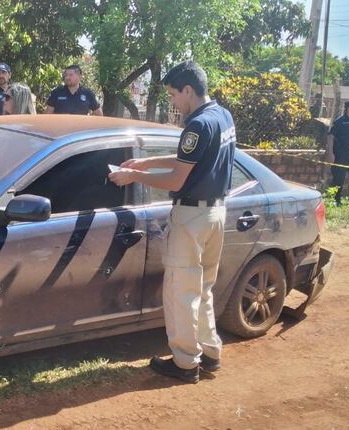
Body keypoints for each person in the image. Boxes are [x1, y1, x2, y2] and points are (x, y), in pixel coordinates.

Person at [108, 61, 236, 383]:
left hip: (192, 217)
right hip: (216, 214)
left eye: (174, 95)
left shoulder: (196, 126)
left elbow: (178, 179)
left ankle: (184, 363)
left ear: (188, 90)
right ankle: (209, 354)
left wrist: (132, 176)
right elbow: (189, 162)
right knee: (203, 288)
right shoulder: (222, 116)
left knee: (181, 291)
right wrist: (146, 161)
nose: (173, 103)